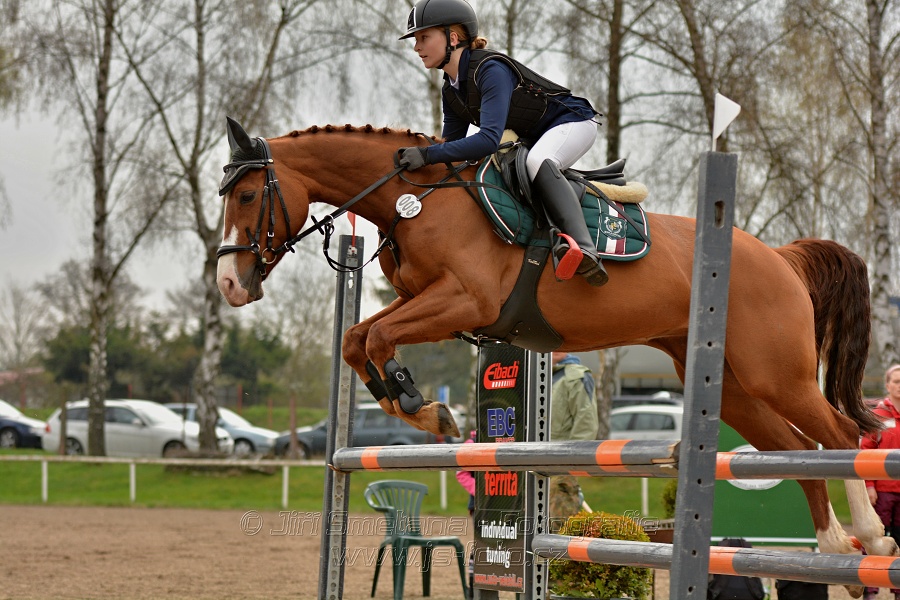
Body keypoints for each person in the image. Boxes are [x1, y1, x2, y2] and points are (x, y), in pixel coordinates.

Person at [398, 0, 609, 287]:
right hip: (536, 135)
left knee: (538, 163)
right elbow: (452, 148)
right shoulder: (451, 89)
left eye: (424, 37)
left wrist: (426, 154)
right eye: (416, 39)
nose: (416, 47)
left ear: (453, 38)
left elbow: (487, 140)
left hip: (573, 122)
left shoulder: (490, 69)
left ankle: (585, 249)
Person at [861, 364, 900, 600]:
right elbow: (866, 451)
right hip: (882, 491)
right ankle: (871, 590)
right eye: (896, 381)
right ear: (887, 385)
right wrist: (869, 485)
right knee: (875, 541)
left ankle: (897, 589)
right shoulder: (877, 416)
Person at [549, 351, 600, 528]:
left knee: (560, 528)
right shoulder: (536, 376)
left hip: (559, 469)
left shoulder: (576, 377)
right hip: (532, 466)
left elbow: (586, 424)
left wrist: (568, 467)